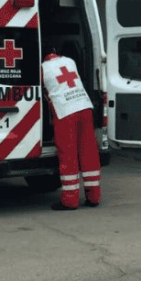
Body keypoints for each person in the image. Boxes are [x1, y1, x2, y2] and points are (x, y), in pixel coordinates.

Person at [41, 52, 101, 210]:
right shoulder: (69, 61)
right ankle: (93, 197)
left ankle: (70, 200)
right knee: (89, 152)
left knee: (68, 155)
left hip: (65, 111)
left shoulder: (42, 69)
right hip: (84, 107)